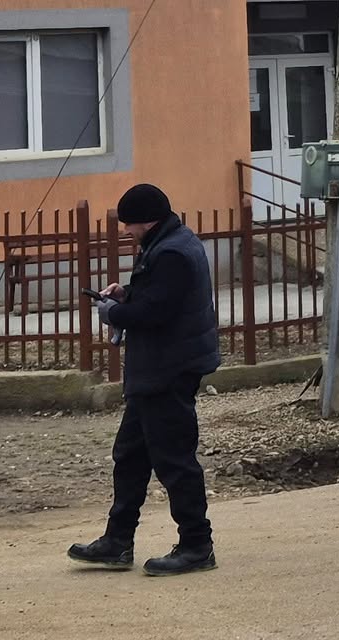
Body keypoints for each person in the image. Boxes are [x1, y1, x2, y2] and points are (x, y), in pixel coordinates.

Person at [67, 183, 222, 577]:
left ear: (146, 221)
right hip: (155, 371)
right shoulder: (170, 242)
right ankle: (117, 541)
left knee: (175, 460)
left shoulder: (171, 253)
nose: (126, 231)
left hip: (169, 370)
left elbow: (156, 312)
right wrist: (127, 292)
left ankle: (196, 545)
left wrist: (113, 313)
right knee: (130, 456)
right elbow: (157, 294)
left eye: (129, 224)